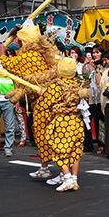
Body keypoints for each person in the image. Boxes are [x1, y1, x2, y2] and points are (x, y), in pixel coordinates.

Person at [0, 23, 60, 180]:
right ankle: (45, 167)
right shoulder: (39, 54)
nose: (18, 42)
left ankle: (64, 173)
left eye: (20, 40)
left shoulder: (30, 56)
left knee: (49, 135)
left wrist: (2, 53)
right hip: (46, 98)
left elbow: (9, 65)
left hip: (45, 99)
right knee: (42, 134)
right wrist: (13, 33)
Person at [39, 57, 89, 192]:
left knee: (59, 151)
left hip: (62, 122)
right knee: (75, 151)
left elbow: (45, 105)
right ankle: (74, 179)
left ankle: (67, 178)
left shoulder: (56, 87)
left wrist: (41, 94)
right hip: (76, 121)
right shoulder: (78, 85)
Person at [82, 45, 106, 154]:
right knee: (87, 119)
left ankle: (102, 144)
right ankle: (88, 144)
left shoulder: (104, 65)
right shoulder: (87, 66)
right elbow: (85, 80)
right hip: (90, 96)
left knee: (100, 121)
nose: (95, 55)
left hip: (101, 97)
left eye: (97, 52)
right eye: (93, 53)